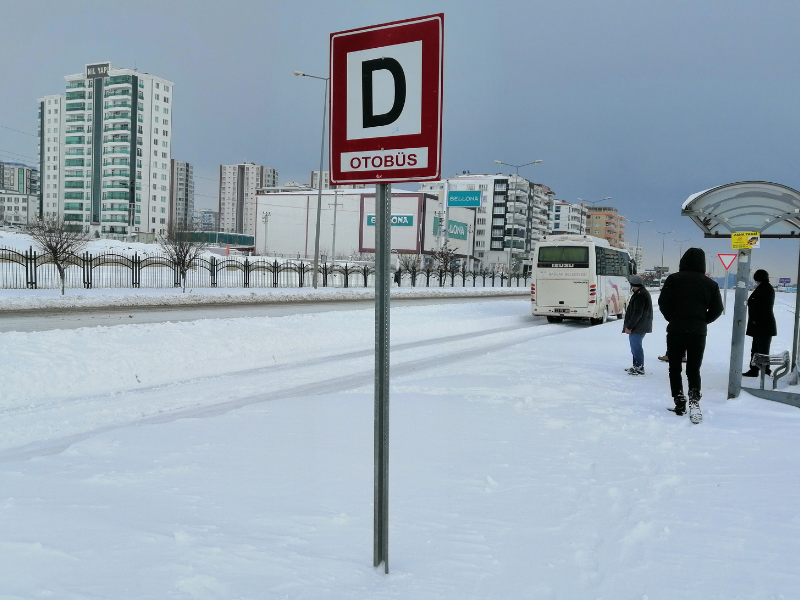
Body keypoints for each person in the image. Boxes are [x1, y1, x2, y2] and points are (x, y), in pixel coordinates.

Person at [658, 247, 724, 417]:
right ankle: (694, 397)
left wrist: (673, 318)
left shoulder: (673, 279)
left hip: (676, 330)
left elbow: (663, 302)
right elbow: (718, 309)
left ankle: (679, 399)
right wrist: (702, 320)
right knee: (694, 368)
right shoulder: (711, 284)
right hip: (698, 332)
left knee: (674, 367)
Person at [743, 269, 777, 377]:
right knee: (757, 349)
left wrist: (756, 320)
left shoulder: (765, 289)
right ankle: (756, 369)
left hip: (763, 325)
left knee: (762, 350)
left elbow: (763, 307)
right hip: (760, 325)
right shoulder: (763, 288)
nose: (755, 281)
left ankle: (764, 370)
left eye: (756, 279)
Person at [623, 275, 653, 375]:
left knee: (636, 347)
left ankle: (639, 367)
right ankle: (636, 366)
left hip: (638, 326)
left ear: (633, 285)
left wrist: (629, 326)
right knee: (635, 347)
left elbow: (637, 313)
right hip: (640, 325)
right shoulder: (641, 293)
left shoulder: (640, 295)